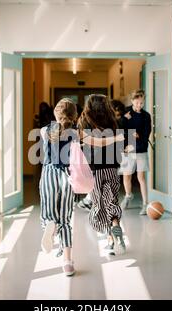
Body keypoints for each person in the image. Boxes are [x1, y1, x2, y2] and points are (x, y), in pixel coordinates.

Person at [40, 98, 124, 274]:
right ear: (74, 115)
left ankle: (50, 224)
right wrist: (117, 136)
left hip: (48, 175)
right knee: (66, 219)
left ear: (56, 113)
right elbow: (100, 142)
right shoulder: (77, 132)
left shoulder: (44, 130)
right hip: (67, 177)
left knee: (49, 212)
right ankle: (68, 263)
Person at [78, 94, 126, 255]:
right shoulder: (113, 122)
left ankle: (110, 239)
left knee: (99, 205)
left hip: (94, 169)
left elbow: (86, 143)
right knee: (111, 199)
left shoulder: (84, 122)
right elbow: (121, 145)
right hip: (112, 167)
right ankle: (114, 223)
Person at [77, 100, 126, 213]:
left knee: (100, 184)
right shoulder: (88, 121)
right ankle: (98, 207)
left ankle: (95, 205)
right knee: (100, 184)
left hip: (105, 158)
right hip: (97, 158)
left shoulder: (110, 121)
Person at [119, 90, 152, 216]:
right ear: (132, 101)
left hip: (141, 149)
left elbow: (145, 134)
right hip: (127, 149)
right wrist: (129, 137)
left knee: (141, 178)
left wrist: (135, 138)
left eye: (142, 103)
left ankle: (145, 204)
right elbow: (121, 129)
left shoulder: (146, 116)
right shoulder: (126, 113)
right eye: (137, 102)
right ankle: (128, 196)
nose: (139, 105)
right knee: (126, 176)